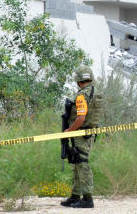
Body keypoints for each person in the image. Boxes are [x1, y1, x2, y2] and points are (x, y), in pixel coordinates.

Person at [61, 66, 98, 209]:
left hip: (81, 134)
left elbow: (81, 117)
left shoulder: (82, 95)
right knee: (77, 164)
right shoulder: (94, 92)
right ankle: (75, 196)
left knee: (82, 164)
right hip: (88, 133)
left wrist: (70, 130)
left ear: (78, 80)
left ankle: (87, 199)